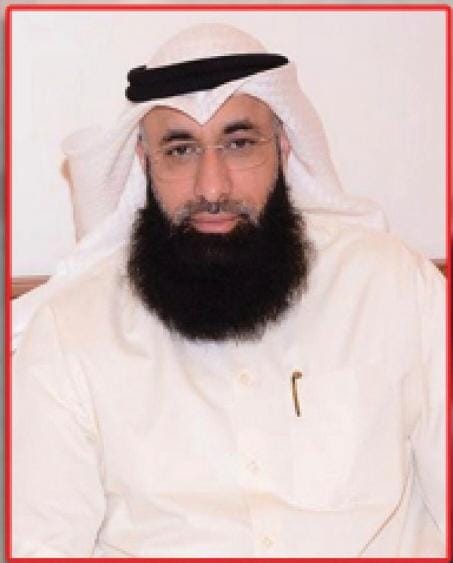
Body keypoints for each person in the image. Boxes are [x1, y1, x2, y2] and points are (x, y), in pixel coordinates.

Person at [12, 24, 446, 558]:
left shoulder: (393, 289)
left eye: (239, 144)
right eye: (180, 150)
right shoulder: (71, 335)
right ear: (145, 164)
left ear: (283, 148)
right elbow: (40, 545)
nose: (212, 187)